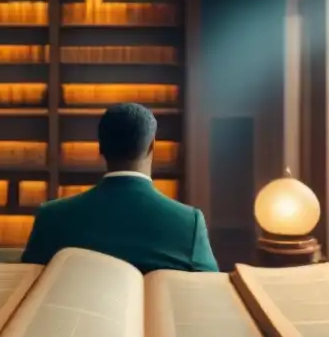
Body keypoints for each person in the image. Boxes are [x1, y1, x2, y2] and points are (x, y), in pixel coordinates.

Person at [21, 103, 219, 273]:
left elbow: (25, 286)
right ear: (152, 147)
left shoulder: (51, 217)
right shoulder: (189, 223)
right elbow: (207, 294)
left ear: (100, 148)